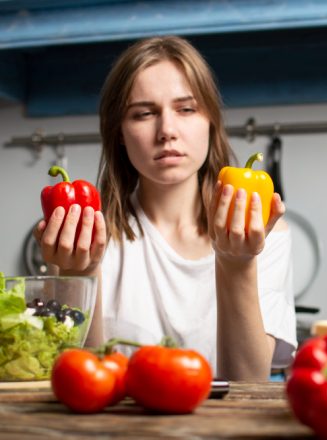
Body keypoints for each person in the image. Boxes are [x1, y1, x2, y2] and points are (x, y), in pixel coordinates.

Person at [34, 35, 297, 380]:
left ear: (211, 122)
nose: (167, 131)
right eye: (143, 114)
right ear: (119, 133)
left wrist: (237, 263)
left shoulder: (262, 230)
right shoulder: (86, 236)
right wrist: (77, 276)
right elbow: (84, 380)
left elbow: (249, 383)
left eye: (186, 109)